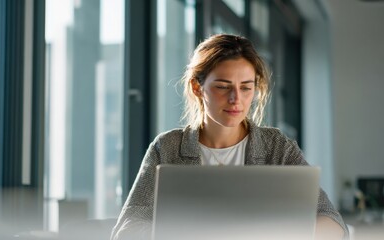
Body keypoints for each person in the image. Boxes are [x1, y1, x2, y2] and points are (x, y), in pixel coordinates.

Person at [111, 34, 348, 240]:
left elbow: (333, 223)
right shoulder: (168, 148)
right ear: (197, 87)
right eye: (223, 87)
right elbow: (127, 230)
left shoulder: (277, 147)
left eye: (246, 87)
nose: (236, 99)